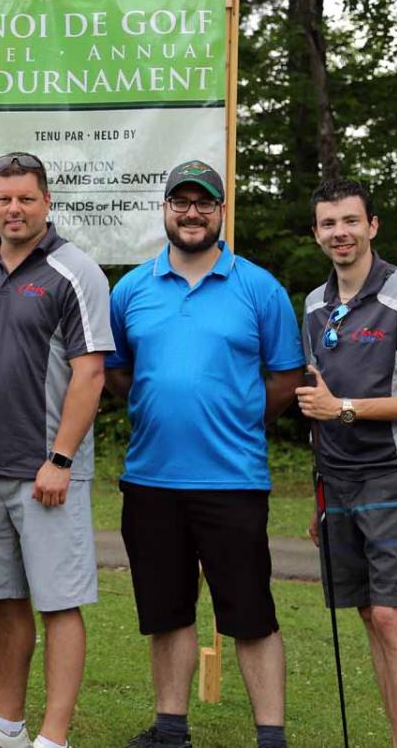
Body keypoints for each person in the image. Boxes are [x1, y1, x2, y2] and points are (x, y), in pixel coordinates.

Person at [103, 160, 303, 748]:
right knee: (166, 612)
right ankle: (171, 730)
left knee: (251, 614)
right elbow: (116, 372)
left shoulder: (259, 287)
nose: (192, 213)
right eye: (181, 202)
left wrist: (240, 417)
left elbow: (286, 378)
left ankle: (271, 737)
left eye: (204, 203)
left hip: (233, 479)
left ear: (221, 211)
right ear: (165, 209)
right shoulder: (131, 289)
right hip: (152, 480)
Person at [0, 152, 112, 748]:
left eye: (26, 199)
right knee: (6, 603)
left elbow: (90, 374)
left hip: (47, 473)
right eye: (4, 198)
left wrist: (60, 460)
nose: (14, 209)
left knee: (59, 605)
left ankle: (53, 738)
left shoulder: (75, 271)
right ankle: (9, 727)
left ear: (47, 202)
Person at [295, 179, 397, 748]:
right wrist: (318, 491)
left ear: (372, 226)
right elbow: (317, 403)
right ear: (316, 233)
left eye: (350, 221)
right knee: (366, 613)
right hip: (337, 479)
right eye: (329, 223)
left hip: (395, 469)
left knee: (389, 614)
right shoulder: (314, 306)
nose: (340, 233)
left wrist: (346, 409)